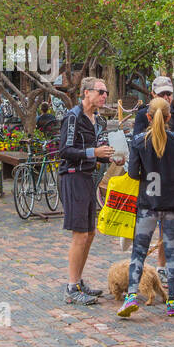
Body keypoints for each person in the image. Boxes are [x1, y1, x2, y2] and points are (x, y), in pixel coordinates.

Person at [120, 96, 174, 319]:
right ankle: (172, 300)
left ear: (148, 117)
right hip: (172, 204)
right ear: (170, 116)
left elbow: (133, 173)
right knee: (172, 253)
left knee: (139, 252)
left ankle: (131, 295)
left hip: (147, 204)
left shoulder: (139, 141)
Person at [57, 76, 115, 306]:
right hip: (73, 176)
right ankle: (71, 287)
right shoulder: (73, 117)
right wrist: (94, 153)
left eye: (106, 92)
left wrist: (109, 157)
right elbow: (65, 150)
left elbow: (97, 150)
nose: (104, 96)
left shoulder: (97, 120)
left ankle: (78, 281)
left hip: (88, 176)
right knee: (80, 233)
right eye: (100, 91)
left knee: (90, 232)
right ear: (86, 92)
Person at [131, 75, 174, 280]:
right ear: (152, 94)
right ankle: (138, 275)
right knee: (144, 232)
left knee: (168, 231)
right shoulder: (143, 115)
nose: (166, 97)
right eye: (162, 93)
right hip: (151, 181)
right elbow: (138, 146)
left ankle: (161, 267)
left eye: (169, 93)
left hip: (171, 181)